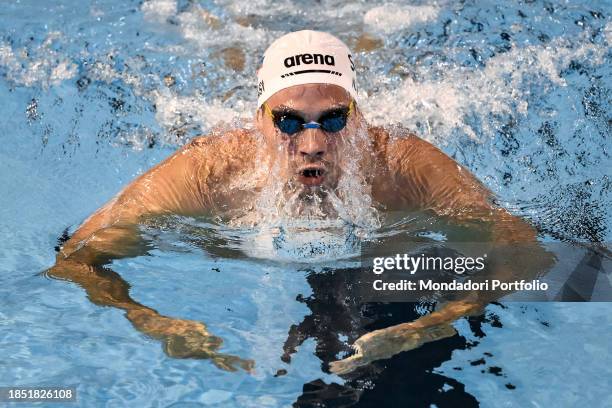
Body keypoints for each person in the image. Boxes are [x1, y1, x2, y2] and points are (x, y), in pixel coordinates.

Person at [48, 30, 549, 374]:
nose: (311, 144)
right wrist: (151, 321)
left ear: (359, 118)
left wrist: (434, 325)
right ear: (258, 121)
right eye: (288, 121)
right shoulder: (205, 174)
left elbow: (525, 253)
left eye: (332, 120)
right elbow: (76, 258)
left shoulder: (405, 168)